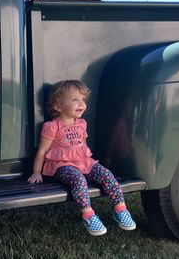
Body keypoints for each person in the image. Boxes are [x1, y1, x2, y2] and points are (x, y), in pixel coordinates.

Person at [27, 80, 136, 236]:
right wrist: (36, 171)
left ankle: (120, 209)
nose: (82, 104)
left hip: (84, 162)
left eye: (83, 100)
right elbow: (42, 151)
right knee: (78, 179)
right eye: (75, 100)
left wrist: (88, 165)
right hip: (62, 166)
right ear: (58, 106)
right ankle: (88, 215)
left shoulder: (82, 123)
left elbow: (82, 146)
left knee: (106, 174)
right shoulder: (52, 126)